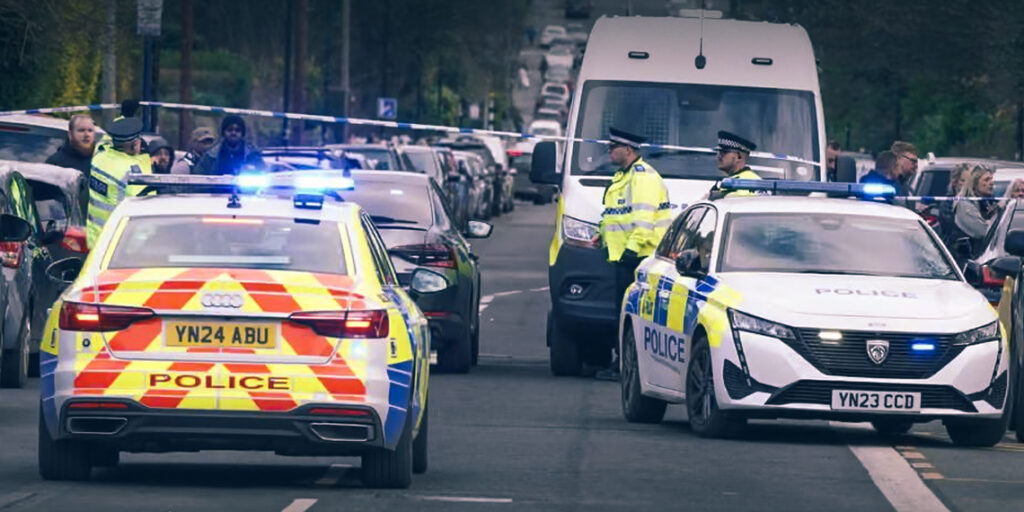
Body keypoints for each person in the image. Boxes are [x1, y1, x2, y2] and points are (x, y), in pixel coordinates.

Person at [594, 127, 671, 381]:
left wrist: (631, 251)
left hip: (638, 257)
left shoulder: (642, 178)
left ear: (628, 150)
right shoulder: (624, 175)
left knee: (631, 316)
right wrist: (601, 235)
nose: (608, 151)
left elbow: (644, 221)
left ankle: (625, 367)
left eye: (613, 147)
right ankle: (623, 363)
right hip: (625, 255)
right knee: (624, 313)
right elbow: (616, 214)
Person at [87, 117, 152, 248]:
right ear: (135, 144)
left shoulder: (99, 156)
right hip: (119, 245)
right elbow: (144, 213)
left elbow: (107, 138)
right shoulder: (133, 173)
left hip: (94, 238)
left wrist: (124, 116)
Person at [950, 165, 1001, 260]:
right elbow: (982, 232)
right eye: (986, 180)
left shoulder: (988, 202)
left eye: (991, 179)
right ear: (974, 183)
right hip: (965, 258)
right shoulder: (964, 204)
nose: (991, 183)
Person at [194, 115, 264, 175]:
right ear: (223, 132)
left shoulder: (253, 155)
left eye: (237, 130)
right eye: (230, 130)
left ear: (242, 133)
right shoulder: (210, 156)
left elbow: (263, 173)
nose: (233, 133)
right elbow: (198, 178)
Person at [707, 131, 760, 199]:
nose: (718, 156)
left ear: (739, 157)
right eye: (718, 152)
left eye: (723, 152)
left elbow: (740, 200)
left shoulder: (749, 181)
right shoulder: (734, 178)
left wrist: (720, 196)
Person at [937, 163, 971, 243]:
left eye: (970, 181)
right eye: (963, 180)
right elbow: (953, 227)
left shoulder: (974, 200)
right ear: (955, 182)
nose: (967, 184)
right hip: (954, 245)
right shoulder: (947, 204)